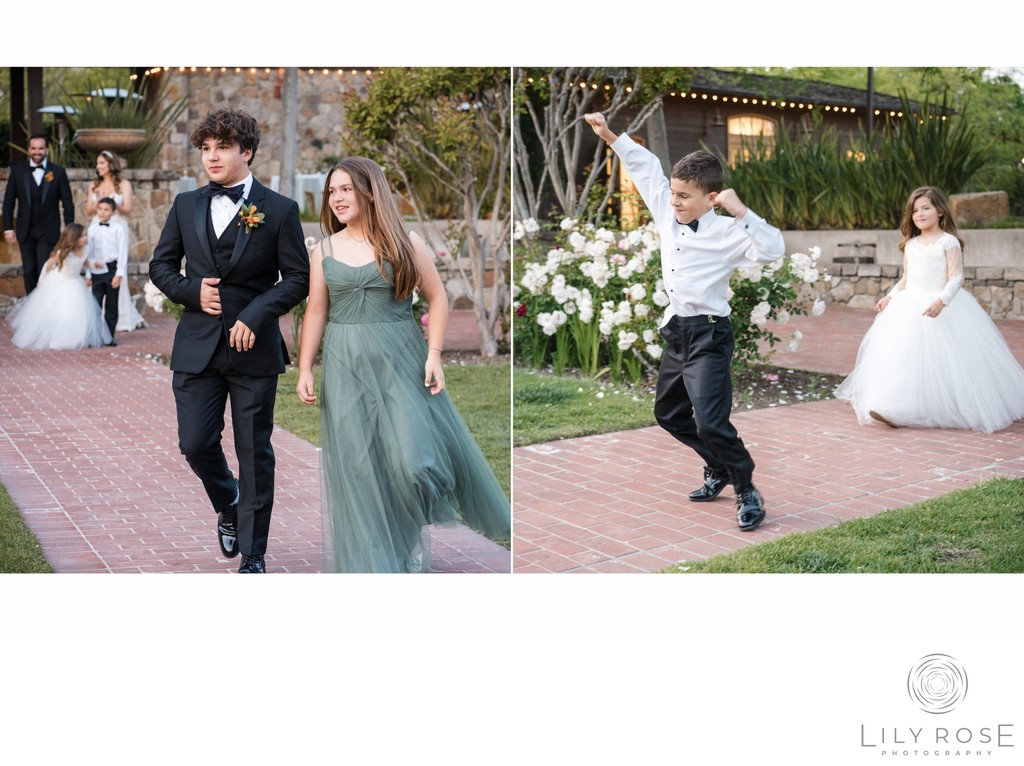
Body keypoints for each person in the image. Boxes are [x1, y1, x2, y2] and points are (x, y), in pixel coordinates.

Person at [295, 157, 510, 572]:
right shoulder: (324, 250)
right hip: (344, 365)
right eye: (332, 191)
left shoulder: (404, 241)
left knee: (414, 465)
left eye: (346, 189)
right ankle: (378, 559)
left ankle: (406, 533)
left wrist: (434, 355)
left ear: (369, 191)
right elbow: (316, 311)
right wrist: (305, 367)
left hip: (401, 362)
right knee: (360, 469)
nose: (337, 198)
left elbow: (439, 297)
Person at [584, 112, 786, 532]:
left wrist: (742, 210)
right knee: (668, 413)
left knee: (711, 420)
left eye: (684, 196)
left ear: (711, 199)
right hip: (678, 330)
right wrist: (609, 136)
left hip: (711, 333)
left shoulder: (730, 232)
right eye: (673, 194)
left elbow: (773, 249)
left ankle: (745, 487)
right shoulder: (666, 208)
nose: (673, 201)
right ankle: (717, 467)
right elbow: (645, 167)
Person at [148, 107, 310, 574]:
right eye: (206, 148)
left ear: (247, 151)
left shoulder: (279, 210)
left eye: (223, 147)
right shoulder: (186, 205)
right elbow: (161, 267)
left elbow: (296, 277)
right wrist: (190, 292)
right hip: (196, 346)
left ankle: (254, 556)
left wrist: (257, 315)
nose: (212, 157)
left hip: (253, 351)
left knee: (254, 453)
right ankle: (229, 499)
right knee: (195, 443)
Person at [834, 186, 1024, 433]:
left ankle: (944, 406)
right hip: (908, 307)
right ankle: (893, 406)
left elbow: (957, 277)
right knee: (902, 357)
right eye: (915, 210)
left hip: (939, 306)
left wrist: (941, 301)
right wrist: (888, 298)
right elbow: (906, 278)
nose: (920, 214)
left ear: (940, 212)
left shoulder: (948, 241)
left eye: (926, 208)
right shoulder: (911, 245)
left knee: (944, 363)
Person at [7, 223, 112, 349]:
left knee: (76, 311)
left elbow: (84, 262)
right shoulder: (63, 252)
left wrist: (94, 264)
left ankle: (74, 337)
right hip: (61, 281)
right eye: (82, 236)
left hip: (75, 282)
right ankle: (58, 338)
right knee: (62, 311)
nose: (85, 238)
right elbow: (48, 265)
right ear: (73, 238)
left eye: (85, 235)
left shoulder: (86, 249)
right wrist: (41, 280)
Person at [3, 134, 75, 294]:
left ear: (46, 150)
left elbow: (68, 204)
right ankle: (31, 307)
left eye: (41, 148)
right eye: (34, 148)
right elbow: (8, 202)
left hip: (48, 231)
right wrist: (8, 228)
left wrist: (69, 231)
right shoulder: (18, 171)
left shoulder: (58, 172)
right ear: (29, 149)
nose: (37, 152)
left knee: (45, 269)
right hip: (25, 230)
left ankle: (45, 309)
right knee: (28, 271)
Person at [85, 149, 145, 333]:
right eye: (97, 164)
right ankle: (96, 319)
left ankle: (119, 317)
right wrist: (98, 202)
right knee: (98, 268)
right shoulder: (94, 185)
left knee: (117, 268)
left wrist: (112, 203)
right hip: (98, 225)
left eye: (102, 163)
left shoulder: (123, 184)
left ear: (111, 165)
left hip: (117, 225)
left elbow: (128, 208)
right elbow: (88, 211)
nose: (99, 167)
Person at [85, 197, 127, 346]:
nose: (102, 212)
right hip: (96, 271)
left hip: (112, 269)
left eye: (106, 209)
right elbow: (89, 252)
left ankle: (109, 337)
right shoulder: (92, 229)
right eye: (100, 209)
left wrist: (119, 274)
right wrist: (89, 274)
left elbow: (123, 252)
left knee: (111, 305)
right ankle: (94, 336)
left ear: (113, 212)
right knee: (95, 304)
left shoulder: (118, 229)